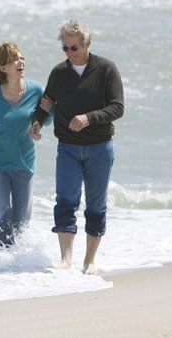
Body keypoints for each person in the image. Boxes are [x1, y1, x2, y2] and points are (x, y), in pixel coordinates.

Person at [31, 20, 124, 274]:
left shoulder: (106, 69)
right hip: (68, 148)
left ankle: (90, 261)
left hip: (99, 147)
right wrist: (37, 122)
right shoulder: (59, 72)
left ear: (87, 44)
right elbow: (48, 99)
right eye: (65, 49)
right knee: (65, 201)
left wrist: (88, 118)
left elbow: (118, 107)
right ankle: (65, 259)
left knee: (96, 204)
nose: (69, 53)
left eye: (73, 48)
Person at [0, 42, 52, 248]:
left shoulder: (36, 90)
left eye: (21, 58)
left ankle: (17, 271)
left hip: (24, 165)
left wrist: (38, 125)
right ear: (3, 68)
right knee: (3, 224)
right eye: (14, 59)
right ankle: (2, 271)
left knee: (21, 224)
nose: (20, 62)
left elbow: (47, 118)